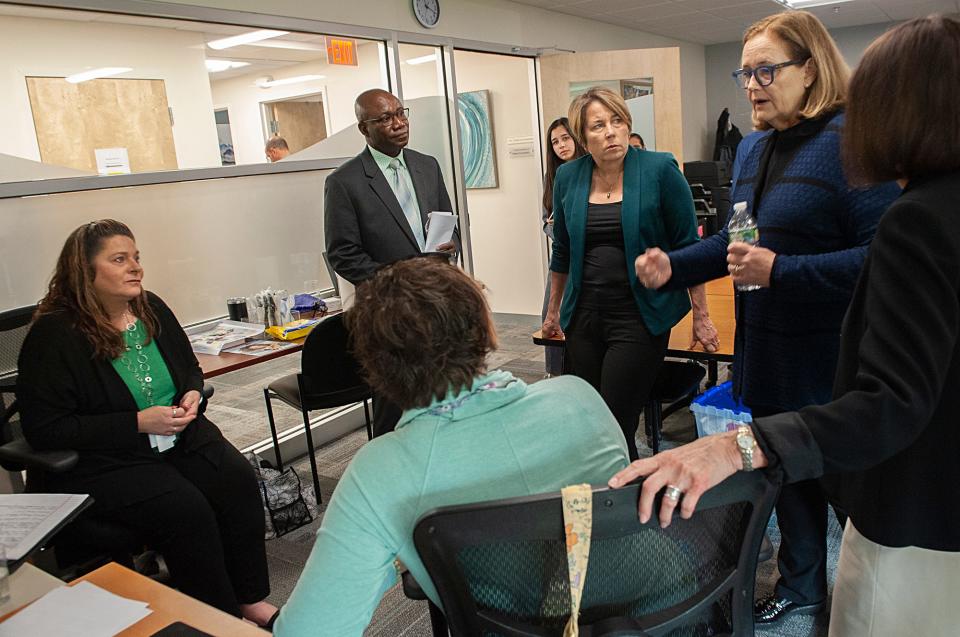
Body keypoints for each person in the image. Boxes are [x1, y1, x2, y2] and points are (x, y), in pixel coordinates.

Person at [613, 15, 960, 636]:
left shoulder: (848, 148)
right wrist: (675, 264)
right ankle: (803, 588)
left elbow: (876, 261)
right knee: (790, 486)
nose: (752, 85)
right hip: (765, 351)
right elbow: (735, 240)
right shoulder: (752, 147)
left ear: (812, 69)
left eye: (766, 70)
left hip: (833, 361)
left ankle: (827, 577)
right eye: (744, 72)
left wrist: (785, 271)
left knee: (837, 482)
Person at [273, 257, 631, 636]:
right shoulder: (581, 397)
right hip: (636, 624)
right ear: (485, 332)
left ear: (375, 369)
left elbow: (308, 631)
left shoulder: (380, 474)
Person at [15, 220, 278, 628]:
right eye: (119, 259)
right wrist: (135, 422)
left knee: (237, 479)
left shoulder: (149, 306)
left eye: (136, 258)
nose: (135, 267)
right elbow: (46, 429)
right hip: (106, 457)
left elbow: (189, 367)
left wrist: (192, 393)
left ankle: (250, 600)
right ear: (86, 271)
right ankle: (217, 621)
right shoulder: (56, 334)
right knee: (185, 508)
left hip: (175, 438)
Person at [542, 86, 718, 461]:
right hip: (584, 315)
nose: (610, 132)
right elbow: (562, 250)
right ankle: (603, 496)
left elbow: (690, 248)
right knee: (589, 417)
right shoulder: (569, 177)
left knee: (617, 419)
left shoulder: (659, 170)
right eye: (598, 125)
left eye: (617, 121)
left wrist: (702, 316)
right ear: (582, 136)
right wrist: (554, 310)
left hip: (639, 315)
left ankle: (625, 504)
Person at [324, 88, 460, 436]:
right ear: (364, 129)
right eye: (385, 118)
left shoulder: (427, 165)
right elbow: (343, 253)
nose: (399, 123)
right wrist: (398, 281)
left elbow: (447, 225)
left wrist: (449, 247)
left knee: (444, 391)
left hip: (435, 299)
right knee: (395, 402)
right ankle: (389, 472)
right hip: (387, 310)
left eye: (401, 113)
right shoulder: (345, 181)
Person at [540, 117, 585, 376]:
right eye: (555, 142)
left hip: (588, 260)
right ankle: (554, 375)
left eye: (565, 138)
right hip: (562, 259)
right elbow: (544, 222)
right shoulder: (554, 177)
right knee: (550, 315)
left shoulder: (590, 170)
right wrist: (555, 228)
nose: (561, 145)